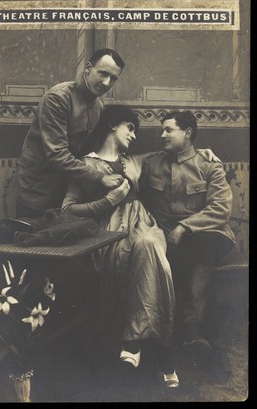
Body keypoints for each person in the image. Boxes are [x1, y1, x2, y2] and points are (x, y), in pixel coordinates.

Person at [61, 105, 218, 388]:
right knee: (149, 256)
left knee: (148, 243)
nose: (134, 135)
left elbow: (179, 156)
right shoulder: (84, 165)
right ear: (112, 124)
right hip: (108, 234)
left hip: (145, 224)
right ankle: (164, 355)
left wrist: (204, 152)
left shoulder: (135, 160)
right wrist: (109, 200)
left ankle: (133, 343)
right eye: (130, 128)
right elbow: (67, 211)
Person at [139, 110, 235, 361]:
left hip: (205, 233)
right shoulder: (151, 164)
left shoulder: (209, 165)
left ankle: (191, 328)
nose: (162, 135)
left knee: (198, 247)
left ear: (188, 133)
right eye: (162, 130)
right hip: (163, 235)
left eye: (169, 129)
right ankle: (176, 335)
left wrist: (184, 227)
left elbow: (220, 209)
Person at [13, 48, 126, 219]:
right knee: (31, 242)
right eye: (103, 73)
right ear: (88, 68)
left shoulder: (98, 107)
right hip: (38, 189)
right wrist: (100, 178)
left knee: (63, 243)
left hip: (68, 191)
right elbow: (57, 154)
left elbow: (90, 150)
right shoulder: (57, 98)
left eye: (113, 78)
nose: (106, 82)